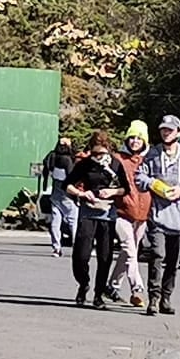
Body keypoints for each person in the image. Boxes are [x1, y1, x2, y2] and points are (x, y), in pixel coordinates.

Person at [134, 115, 180, 316]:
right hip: (157, 216)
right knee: (157, 255)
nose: (166, 133)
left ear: (178, 132)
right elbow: (140, 176)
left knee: (173, 260)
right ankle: (153, 298)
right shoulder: (152, 154)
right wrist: (154, 185)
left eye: (170, 130)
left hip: (179, 219)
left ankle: (166, 297)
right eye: (163, 129)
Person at [64, 131, 129, 309]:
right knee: (80, 256)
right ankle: (83, 283)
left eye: (102, 153)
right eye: (95, 153)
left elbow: (126, 189)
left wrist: (112, 192)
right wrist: (82, 193)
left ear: (108, 150)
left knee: (105, 256)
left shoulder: (115, 164)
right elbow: (67, 185)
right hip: (87, 212)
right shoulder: (85, 164)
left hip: (107, 214)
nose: (98, 157)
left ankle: (98, 294)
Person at [106, 120, 152, 307]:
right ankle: (137, 289)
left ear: (144, 141)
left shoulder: (150, 160)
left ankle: (112, 286)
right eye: (131, 137)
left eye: (138, 138)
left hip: (142, 215)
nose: (134, 141)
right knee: (130, 250)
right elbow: (108, 181)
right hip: (122, 212)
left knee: (128, 253)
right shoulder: (118, 159)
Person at [41, 137, 78, 257]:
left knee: (55, 223)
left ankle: (56, 247)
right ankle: (77, 247)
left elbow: (47, 167)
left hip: (55, 195)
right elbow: (71, 178)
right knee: (74, 222)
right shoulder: (67, 160)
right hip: (67, 196)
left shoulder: (52, 157)